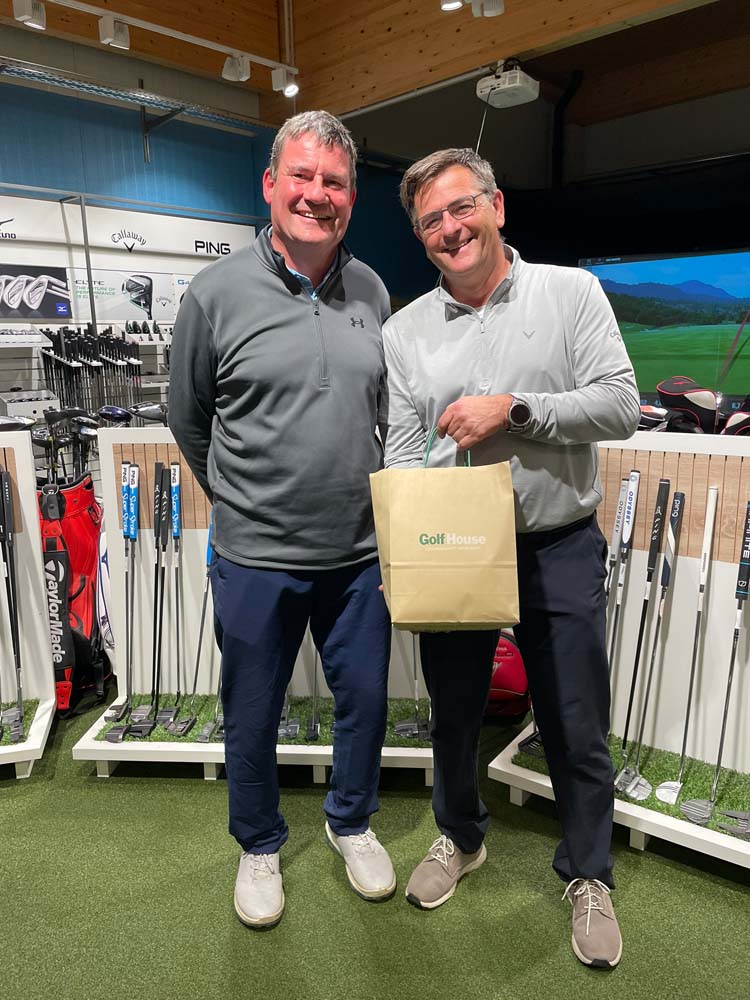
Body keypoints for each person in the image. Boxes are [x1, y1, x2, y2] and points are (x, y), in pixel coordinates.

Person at [382, 148, 640, 969]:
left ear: (496, 207)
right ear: (421, 236)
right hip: (452, 546)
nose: (450, 228)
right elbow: (401, 447)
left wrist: (516, 411)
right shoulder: (404, 331)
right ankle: (461, 836)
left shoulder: (572, 293)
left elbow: (621, 405)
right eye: (431, 220)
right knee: (454, 715)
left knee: (574, 721)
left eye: (462, 208)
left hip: (557, 543)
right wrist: (407, 537)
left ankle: (588, 871)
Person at [168, 111, 395, 930]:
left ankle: (350, 821)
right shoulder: (215, 292)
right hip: (254, 557)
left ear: (351, 196)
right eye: (301, 176)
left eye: (334, 182)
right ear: (270, 184)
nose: (316, 194)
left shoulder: (373, 291)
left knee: (364, 700)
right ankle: (259, 842)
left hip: (359, 555)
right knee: (252, 711)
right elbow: (189, 415)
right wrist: (238, 497)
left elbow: (385, 414)